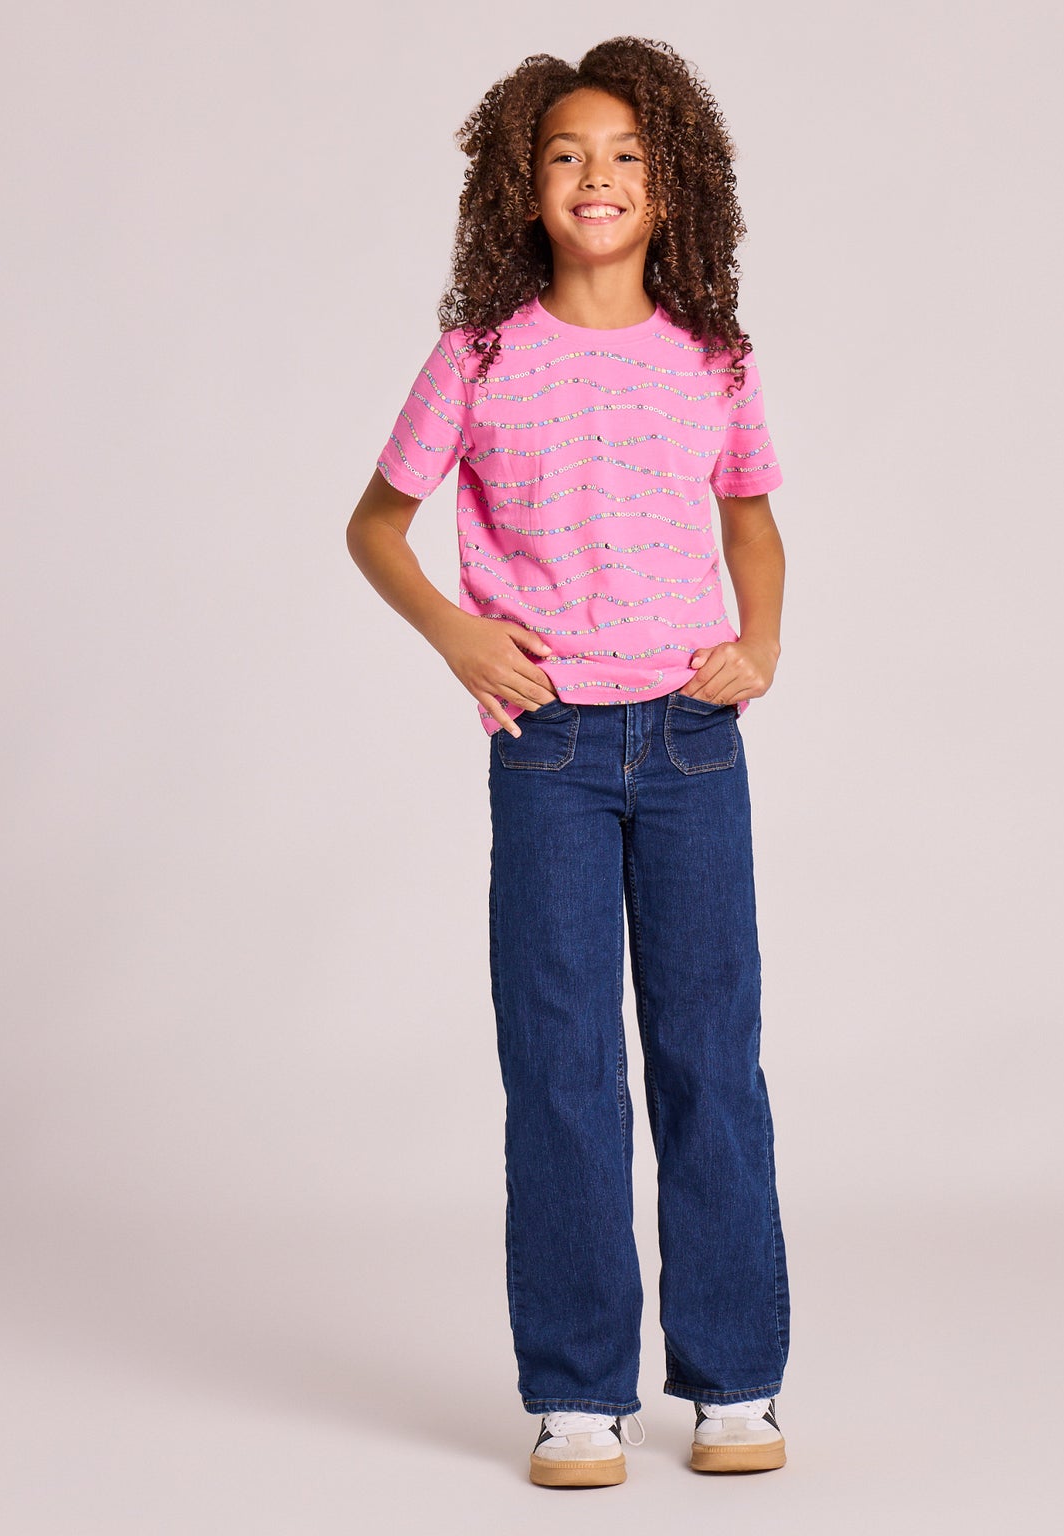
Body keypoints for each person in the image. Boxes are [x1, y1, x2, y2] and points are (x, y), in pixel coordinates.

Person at [347, 36, 791, 1487]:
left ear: (672, 186)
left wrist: (760, 645)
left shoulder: (713, 359)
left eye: (626, 156)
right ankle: (578, 1394)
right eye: (565, 155)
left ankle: (735, 1382)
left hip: (692, 744)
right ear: (521, 186)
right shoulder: (478, 358)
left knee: (709, 1057)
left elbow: (753, 526)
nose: (595, 177)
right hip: (546, 749)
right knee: (560, 1067)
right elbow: (375, 526)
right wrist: (457, 636)